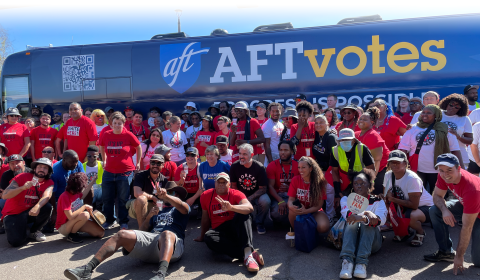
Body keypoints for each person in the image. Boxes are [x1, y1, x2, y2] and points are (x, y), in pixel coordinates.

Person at [64, 182, 190, 280]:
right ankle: (87, 269)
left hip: (172, 245)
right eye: (168, 192)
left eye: (173, 193)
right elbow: (143, 231)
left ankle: (161, 274)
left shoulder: (181, 209)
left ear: (178, 196)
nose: (169, 194)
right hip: (153, 243)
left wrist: (167, 196)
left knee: (166, 234)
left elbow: (182, 206)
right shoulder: (157, 211)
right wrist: (149, 218)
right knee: (121, 234)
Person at [195, 172, 264, 273]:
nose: (221, 184)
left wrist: (232, 207)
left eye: (224, 182)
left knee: (244, 213)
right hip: (219, 230)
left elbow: (250, 208)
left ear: (229, 184)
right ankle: (246, 254)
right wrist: (201, 236)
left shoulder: (236, 193)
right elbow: (205, 218)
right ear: (215, 184)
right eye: (219, 182)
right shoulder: (206, 195)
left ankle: (248, 255)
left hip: (236, 228)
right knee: (208, 237)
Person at [424, 153, 480, 274]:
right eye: (441, 170)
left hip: (477, 211)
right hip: (466, 205)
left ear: (459, 168)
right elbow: (437, 196)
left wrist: (459, 256)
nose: (445, 174)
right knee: (435, 210)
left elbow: (467, 227)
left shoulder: (472, 189)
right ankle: (446, 252)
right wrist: (445, 211)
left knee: (478, 261)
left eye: (449, 170)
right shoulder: (443, 175)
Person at [399, 105, 462, 194]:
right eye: (423, 112)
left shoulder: (445, 129)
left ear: (436, 115)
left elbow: (455, 150)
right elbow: (403, 149)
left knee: (438, 196)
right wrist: (402, 166)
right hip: (417, 169)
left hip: (439, 171)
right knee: (417, 195)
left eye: (429, 113)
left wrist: (461, 169)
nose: (425, 114)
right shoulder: (413, 128)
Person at [339, 169, 387, 279]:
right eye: (356, 183)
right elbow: (349, 216)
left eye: (362, 183)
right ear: (353, 186)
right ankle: (347, 262)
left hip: (372, 243)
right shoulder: (346, 199)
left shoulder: (378, 201)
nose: (359, 186)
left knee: (369, 224)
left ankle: (361, 263)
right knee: (352, 221)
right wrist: (366, 214)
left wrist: (365, 217)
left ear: (369, 185)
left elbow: (381, 220)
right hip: (351, 240)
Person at [99, 112, 141, 230]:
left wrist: (137, 162)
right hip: (108, 171)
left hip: (125, 172)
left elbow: (138, 147)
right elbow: (101, 146)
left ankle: (123, 221)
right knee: (107, 198)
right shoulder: (106, 134)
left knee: (123, 198)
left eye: (119, 123)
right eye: (115, 123)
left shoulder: (128, 135)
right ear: (111, 124)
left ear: (123, 124)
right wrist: (104, 160)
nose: (117, 125)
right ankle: (109, 220)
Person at [382, 150, 433, 246]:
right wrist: (387, 207)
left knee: (410, 216)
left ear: (405, 163)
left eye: (398, 162)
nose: (394, 165)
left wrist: (393, 200)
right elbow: (386, 197)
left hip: (426, 207)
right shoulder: (388, 175)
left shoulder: (412, 179)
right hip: (403, 205)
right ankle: (406, 231)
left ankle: (420, 232)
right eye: (392, 162)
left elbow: (414, 205)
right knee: (385, 210)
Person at [1, 158, 54, 246]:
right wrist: (22, 188)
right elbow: (5, 195)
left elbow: (47, 196)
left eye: (45, 168)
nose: (42, 169)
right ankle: (20, 229)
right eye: (40, 167)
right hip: (13, 214)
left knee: (47, 207)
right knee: (16, 242)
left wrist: (37, 206)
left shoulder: (49, 182)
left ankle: (34, 231)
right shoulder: (22, 177)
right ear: (34, 169)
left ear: (48, 172)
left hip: (30, 212)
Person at [229, 143, 269, 234]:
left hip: (257, 195)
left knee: (265, 201)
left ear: (251, 155)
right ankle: (246, 220)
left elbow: (263, 189)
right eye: (240, 154)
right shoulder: (234, 166)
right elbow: (234, 187)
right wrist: (241, 199)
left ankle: (260, 223)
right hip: (241, 195)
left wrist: (249, 199)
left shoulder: (259, 167)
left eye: (244, 154)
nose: (241, 157)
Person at [330, 128, 375, 206]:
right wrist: (337, 192)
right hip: (346, 181)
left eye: (348, 140)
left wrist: (369, 188)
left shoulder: (362, 148)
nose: (345, 142)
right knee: (343, 205)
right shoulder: (335, 150)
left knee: (364, 205)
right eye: (342, 140)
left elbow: (371, 170)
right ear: (339, 141)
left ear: (354, 140)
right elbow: (335, 171)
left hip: (362, 181)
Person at [55, 172, 104, 243]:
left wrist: (93, 181)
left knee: (100, 233)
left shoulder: (75, 192)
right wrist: (84, 207)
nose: (84, 187)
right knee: (85, 215)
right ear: (79, 187)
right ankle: (72, 235)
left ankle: (75, 230)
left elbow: (83, 195)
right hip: (64, 226)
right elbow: (70, 217)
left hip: (76, 220)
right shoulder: (65, 196)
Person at [288, 156, 330, 234]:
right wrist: (291, 206)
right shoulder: (295, 180)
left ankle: (311, 233)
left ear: (311, 168)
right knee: (292, 210)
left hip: (315, 211)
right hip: (299, 210)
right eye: (299, 167)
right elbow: (291, 199)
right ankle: (298, 232)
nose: (300, 170)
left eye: (303, 167)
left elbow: (319, 205)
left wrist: (306, 211)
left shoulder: (320, 182)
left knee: (324, 226)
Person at [48, 150, 86, 232]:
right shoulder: (55, 171)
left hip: (74, 194)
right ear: (64, 159)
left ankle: (89, 213)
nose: (75, 164)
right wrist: (54, 213)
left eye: (76, 161)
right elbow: (52, 193)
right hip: (61, 199)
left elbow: (84, 180)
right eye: (72, 162)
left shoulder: (77, 163)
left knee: (90, 189)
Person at [355, 108, 390, 194]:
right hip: (367, 168)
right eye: (361, 119)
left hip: (380, 170)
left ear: (372, 122)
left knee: (376, 197)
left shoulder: (372, 136)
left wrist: (371, 180)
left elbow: (376, 161)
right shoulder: (356, 134)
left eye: (365, 119)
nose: (361, 121)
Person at [128, 154, 168, 227]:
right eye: (153, 163)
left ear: (163, 165)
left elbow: (164, 201)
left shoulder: (164, 179)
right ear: (149, 164)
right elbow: (137, 193)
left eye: (158, 163)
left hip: (154, 205)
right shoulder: (140, 175)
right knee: (142, 199)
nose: (155, 165)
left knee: (164, 205)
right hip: (137, 204)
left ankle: (155, 226)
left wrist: (162, 196)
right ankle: (142, 229)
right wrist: (153, 197)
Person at [266, 141, 299, 225]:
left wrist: (290, 189)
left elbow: (303, 186)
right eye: (281, 150)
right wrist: (280, 201)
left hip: (294, 195)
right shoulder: (272, 165)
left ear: (292, 151)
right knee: (276, 213)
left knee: (297, 209)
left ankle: (294, 224)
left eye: (286, 150)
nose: (282, 152)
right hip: (278, 196)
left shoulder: (299, 165)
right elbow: (270, 186)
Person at [312, 114, 337, 220]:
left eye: (321, 122)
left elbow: (335, 158)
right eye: (316, 123)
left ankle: (331, 216)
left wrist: (329, 172)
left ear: (327, 123)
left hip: (329, 170)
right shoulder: (316, 135)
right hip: (318, 170)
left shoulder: (331, 137)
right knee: (318, 193)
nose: (318, 125)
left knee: (329, 191)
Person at [438, 94, 473, 170]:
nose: (453, 107)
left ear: (461, 108)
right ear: (446, 103)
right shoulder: (438, 115)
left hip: (460, 156)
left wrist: (458, 136)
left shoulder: (464, 119)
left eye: (457, 106)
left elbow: (470, 140)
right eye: (452, 104)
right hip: (440, 155)